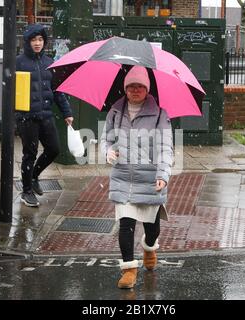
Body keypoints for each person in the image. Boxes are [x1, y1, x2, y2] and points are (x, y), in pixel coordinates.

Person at [100, 66, 173, 289]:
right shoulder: (115, 111)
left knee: (152, 228)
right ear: (125, 88)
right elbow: (105, 139)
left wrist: (163, 174)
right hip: (123, 177)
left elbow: (165, 147)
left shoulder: (160, 113)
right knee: (125, 224)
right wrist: (108, 151)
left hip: (149, 179)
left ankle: (150, 247)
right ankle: (129, 269)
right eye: (131, 86)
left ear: (147, 89)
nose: (135, 90)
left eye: (140, 86)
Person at [16, 24, 74, 207]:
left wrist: (67, 112)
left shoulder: (49, 63)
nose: (37, 43)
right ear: (27, 42)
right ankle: (26, 192)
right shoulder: (18, 62)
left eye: (40, 39)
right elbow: (10, 90)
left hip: (46, 115)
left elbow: (57, 90)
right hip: (27, 117)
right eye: (34, 40)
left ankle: (34, 176)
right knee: (29, 154)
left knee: (54, 149)